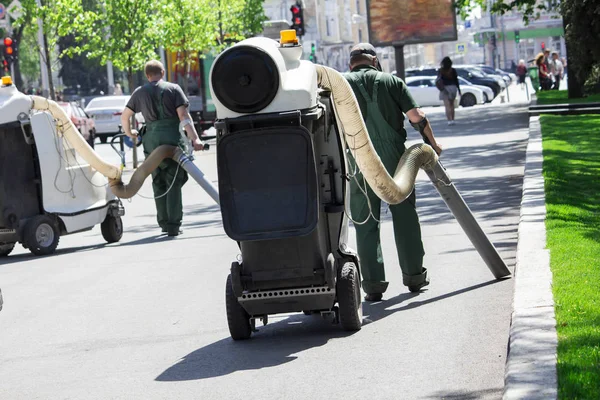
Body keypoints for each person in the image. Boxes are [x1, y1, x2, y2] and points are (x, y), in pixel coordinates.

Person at [343, 43, 443, 301]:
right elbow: (416, 116)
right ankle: (414, 278)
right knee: (405, 216)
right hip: (396, 160)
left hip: (358, 160)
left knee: (365, 222)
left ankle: (373, 286)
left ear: (350, 63)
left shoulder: (341, 83)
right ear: (374, 60)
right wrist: (432, 145)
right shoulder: (391, 81)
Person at [121, 60, 205, 237]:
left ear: (147, 75)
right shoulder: (173, 89)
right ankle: (174, 225)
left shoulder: (139, 93)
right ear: (163, 72)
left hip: (151, 140)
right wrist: (195, 139)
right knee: (173, 181)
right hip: (171, 138)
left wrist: (130, 133)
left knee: (157, 180)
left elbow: (125, 115)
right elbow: (183, 116)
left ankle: (164, 223)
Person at [436, 56, 461, 125]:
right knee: (452, 105)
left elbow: (438, 80)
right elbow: (456, 81)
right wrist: (459, 90)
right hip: (453, 88)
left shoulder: (441, 71)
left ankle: (449, 120)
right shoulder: (453, 70)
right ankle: (453, 119)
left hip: (444, 88)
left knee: (447, 106)